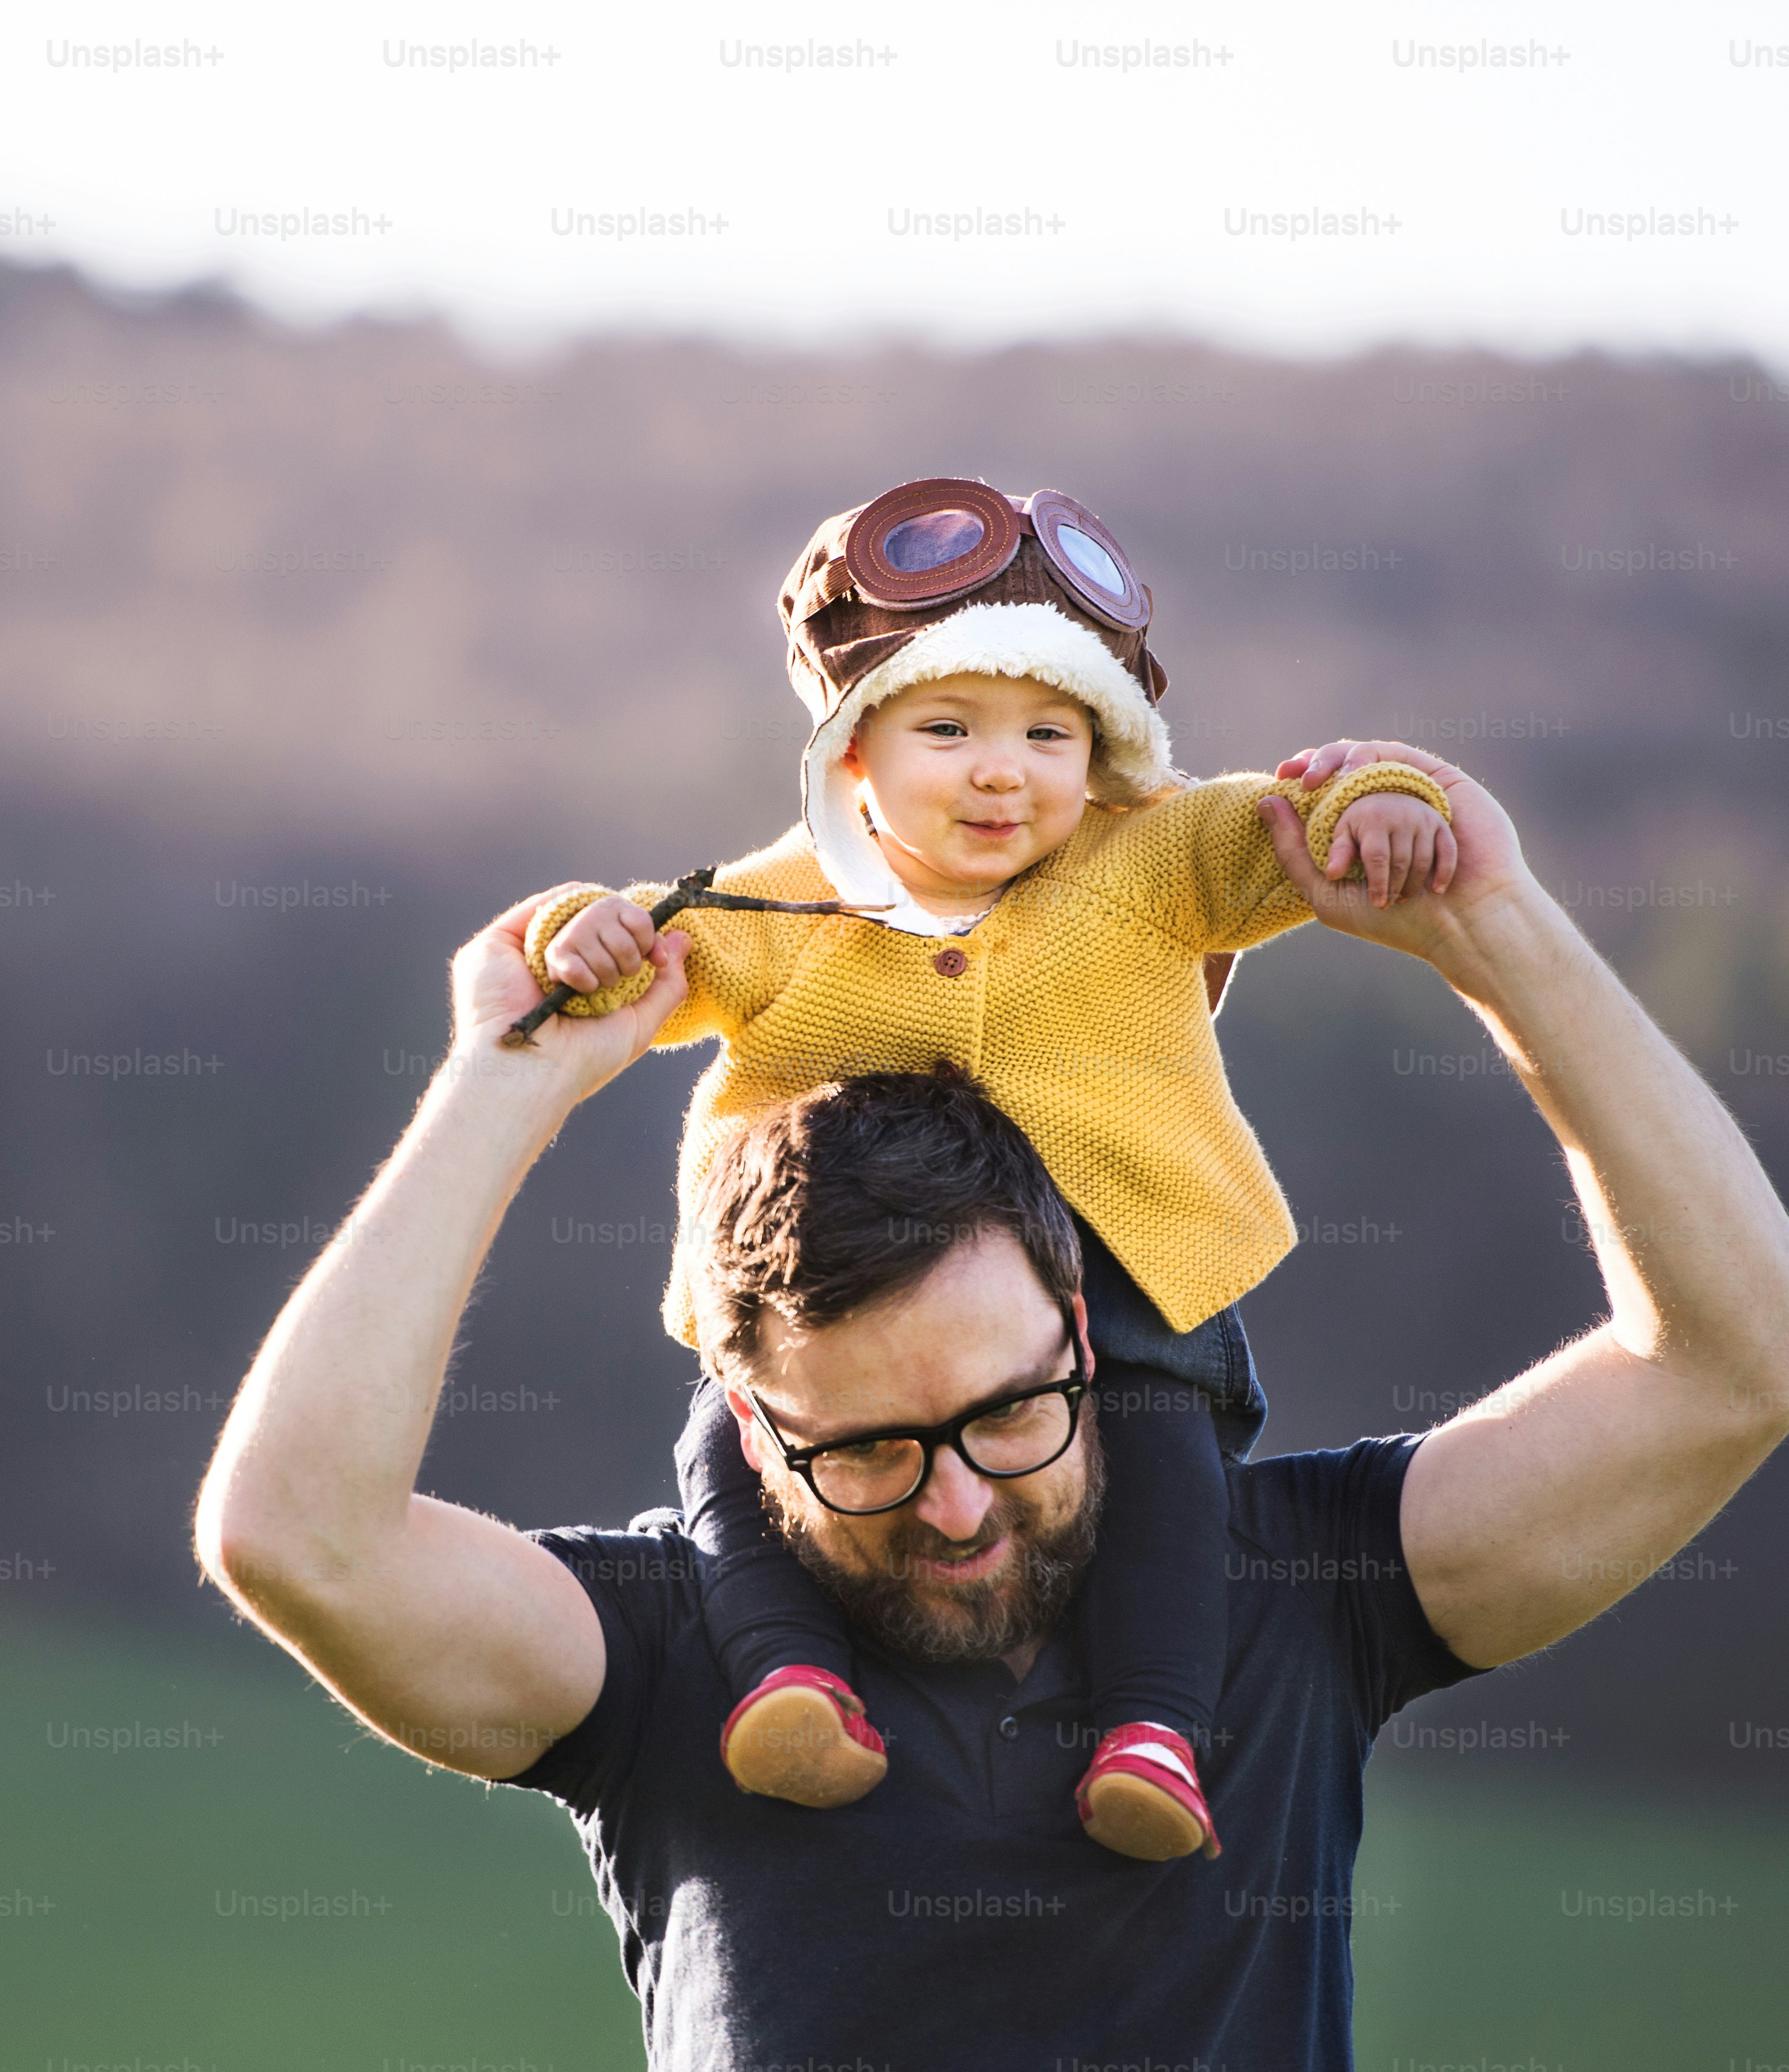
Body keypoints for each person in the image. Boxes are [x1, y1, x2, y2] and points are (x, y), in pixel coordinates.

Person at [194, 741, 1789, 2072]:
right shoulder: (660, 1662)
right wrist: (507, 1084)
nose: (959, 1505)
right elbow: (296, 1537)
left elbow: (1748, 1359)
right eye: (864, 1453)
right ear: (749, 1421)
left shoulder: (1293, 1597)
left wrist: (1496, 938)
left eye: (1008, 1417)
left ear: (1078, 1328)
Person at [521, 475, 1457, 1859]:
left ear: (1105, 751)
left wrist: (1380, 798)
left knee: (1165, 1455)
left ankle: (1154, 1729)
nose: (1002, 769)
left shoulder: (1151, 855)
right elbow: (657, 948)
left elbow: (1287, 824)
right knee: (739, 1435)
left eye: (1049, 731)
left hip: (1126, 1256)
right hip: (839, 1288)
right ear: (855, 758)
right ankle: (789, 1675)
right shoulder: (794, 893)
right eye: (946, 730)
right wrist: (573, 933)